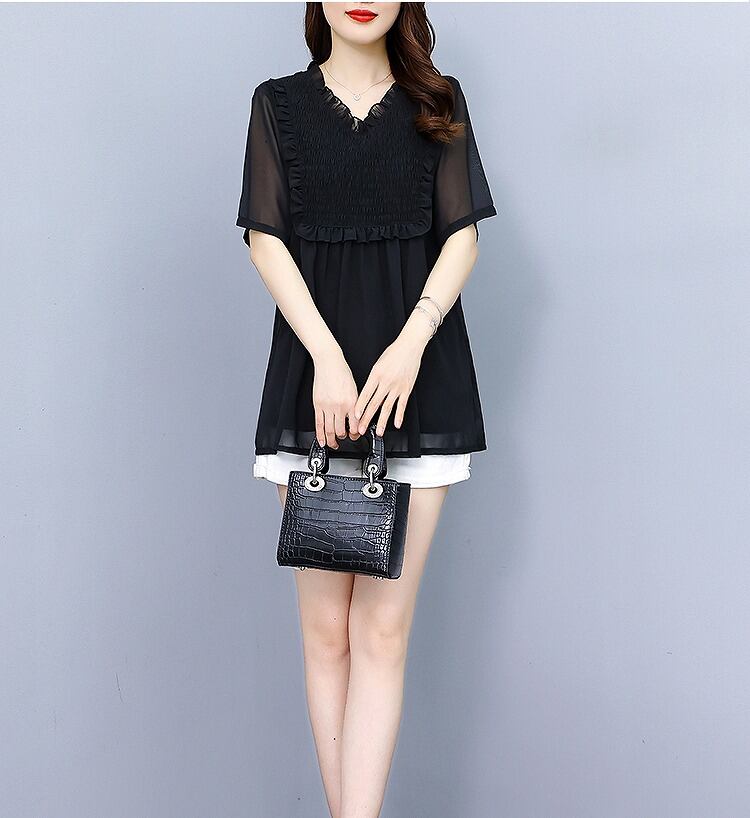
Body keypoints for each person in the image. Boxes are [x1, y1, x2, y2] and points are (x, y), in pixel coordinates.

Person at [236, 3, 496, 815]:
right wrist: (325, 358)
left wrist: (411, 343)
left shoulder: (437, 100)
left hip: (419, 387)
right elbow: (266, 238)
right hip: (314, 393)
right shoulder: (277, 105)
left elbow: (462, 237)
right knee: (326, 634)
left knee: (382, 631)